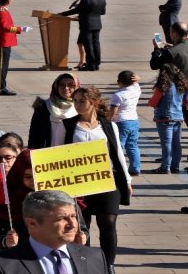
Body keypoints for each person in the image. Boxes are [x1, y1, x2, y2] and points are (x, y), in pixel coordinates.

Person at [53, 87, 132, 273]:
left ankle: (108, 264)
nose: (77, 105)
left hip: (105, 180)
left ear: (94, 102)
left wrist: (127, 180)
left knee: (108, 222)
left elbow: (117, 153)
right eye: (76, 101)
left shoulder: (108, 125)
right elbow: (56, 153)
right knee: (82, 226)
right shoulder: (66, 125)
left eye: (82, 101)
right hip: (78, 183)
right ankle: (84, 263)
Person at [0, 190, 109, 274]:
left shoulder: (95, 257)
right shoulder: (0, 265)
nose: (73, 224)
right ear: (32, 223)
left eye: (73, 216)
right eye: (62, 218)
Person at [0, 0, 32, 95]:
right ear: (8, 1)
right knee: (1, 67)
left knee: (2, 66)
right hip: (2, 42)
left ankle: (1, 86)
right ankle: (0, 88)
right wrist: (20, 29)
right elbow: (5, 27)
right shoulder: (2, 12)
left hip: (2, 41)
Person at [60, 0, 106, 71]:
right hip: (97, 25)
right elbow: (103, 12)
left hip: (86, 25)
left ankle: (90, 65)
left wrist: (62, 14)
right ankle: (96, 64)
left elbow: (76, 10)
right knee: (96, 44)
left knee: (88, 45)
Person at [149, 64, 185, 174]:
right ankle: (175, 166)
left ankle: (165, 167)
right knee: (176, 143)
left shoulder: (163, 86)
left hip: (164, 117)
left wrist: (150, 103)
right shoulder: (180, 85)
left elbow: (154, 101)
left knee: (166, 143)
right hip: (178, 116)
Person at [28, 73, 80, 149]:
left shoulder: (80, 107)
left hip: (70, 154)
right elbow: (34, 134)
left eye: (70, 85)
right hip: (47, 152)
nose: (66, 88)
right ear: (56, 87)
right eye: (62, 85)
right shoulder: (44, 106)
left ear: (77, 87)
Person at [108, 71, 142, 176]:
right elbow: (137, 80)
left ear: (119, 81)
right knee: (133, 145)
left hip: (121, 122)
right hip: (134, 120)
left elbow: (113, 111)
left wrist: (107, 120)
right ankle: (135, 168)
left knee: (118, 146)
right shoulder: (136, 89)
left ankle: (118, 168)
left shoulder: (118, 95)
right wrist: (137, 78)